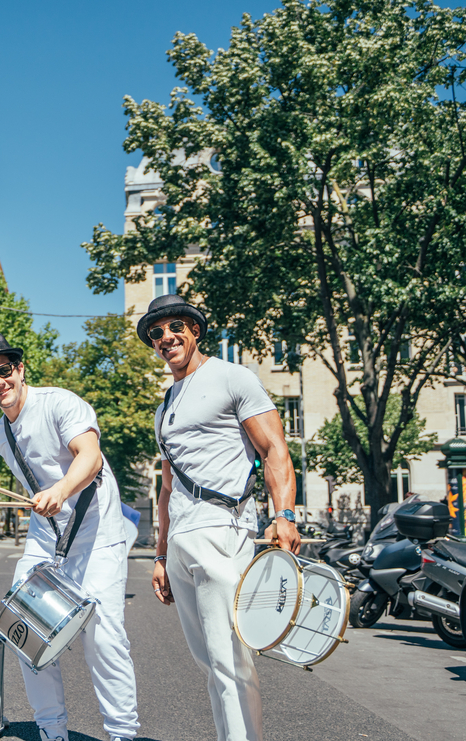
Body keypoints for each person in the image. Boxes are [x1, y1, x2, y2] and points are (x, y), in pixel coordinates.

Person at [140, 295, 300, 741]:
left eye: (175, 327)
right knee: (210, 664)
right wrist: (159, 554)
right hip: (182, 543)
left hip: (223, 529)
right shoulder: (164, 407)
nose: (166, 338)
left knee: (231, 661)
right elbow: (167, 488)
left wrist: (284, 514)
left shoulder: (232, 377)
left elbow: (274, 450)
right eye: (156, 333)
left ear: (194, 330)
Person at [0, 331, 139, 741]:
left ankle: (122, 734)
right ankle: (51, 730)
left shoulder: (60, 402)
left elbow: (90, 456)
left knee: (103, 637)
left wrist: (60, 491)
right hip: (48, 538)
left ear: (20, 369)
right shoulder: (0, 437)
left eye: (4, 371)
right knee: (22, 629)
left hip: (98, 533)